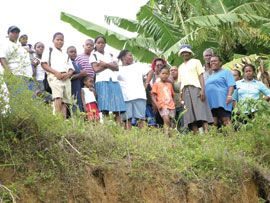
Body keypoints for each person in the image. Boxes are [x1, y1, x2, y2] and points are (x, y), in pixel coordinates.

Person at [89, 36, 125, 123]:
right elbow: (96, 69)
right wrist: (109, 65)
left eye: (102, 43)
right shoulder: (93, 55)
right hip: (101, 82)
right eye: (98, 43)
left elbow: (116, 68)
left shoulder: (110, 55)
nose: (101, 44)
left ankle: (119, 129)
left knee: (118, 107)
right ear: (95, 44)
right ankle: (107, 128)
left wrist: (104, 64)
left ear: (105, 44)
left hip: (114, 81)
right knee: (105, 108)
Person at [178, 45, 213, 133]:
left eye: (186, 52)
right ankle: (196, 135)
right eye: (183, 52)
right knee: (190, 115)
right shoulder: (180, 67)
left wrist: (202, 90)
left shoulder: (196, 62)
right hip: (185, 91)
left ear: (190, 53)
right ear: (181, 54)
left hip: (196, 88)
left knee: (201, 111)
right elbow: (181, 82)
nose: (185, 54)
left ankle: (207, 133)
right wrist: (180, 95)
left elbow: (201, 76)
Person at [41, 32, 74, 118]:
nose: (60, 41)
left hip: (66, 78)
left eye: (61, 40)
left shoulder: (65, 54)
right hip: (55, 76)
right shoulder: (49, 50)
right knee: (58, 97)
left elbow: (71, 68)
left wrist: (68, 74)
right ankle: (57, 119)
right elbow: (44, 64)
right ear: (53, 40)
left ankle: (63, 121)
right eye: (58, 39)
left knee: (65, 101)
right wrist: (56, 73)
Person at [117, 50, 151, 129]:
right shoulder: (118, 69)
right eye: (130, 55)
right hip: (125, 98)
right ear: (123, 57)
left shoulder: (137, 65)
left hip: (139, 95)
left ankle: (142, 138)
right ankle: (128, 138)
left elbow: (150, 70)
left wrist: (146, 83)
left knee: (141, 118)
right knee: (126, 119)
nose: (131, 57)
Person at [0, 26, 33, 91]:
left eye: (17, 32)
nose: (15, 34)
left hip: (27, 76)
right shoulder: (5, 44)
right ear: (8, 33)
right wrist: (10, 75)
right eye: (13, 32)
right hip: (16, 75)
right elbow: (2, 58)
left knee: (28, 100)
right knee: (18, 99)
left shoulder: (19, 46)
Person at [205, 56, 235, 126]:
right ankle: (216, 137)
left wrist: (229, 96)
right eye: (211, 61)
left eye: (215, 61)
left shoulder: (226, 72)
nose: (213, 62)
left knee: (226, 120)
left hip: (222, 100)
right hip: (211, 103)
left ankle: (232, 136)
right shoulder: (210, 76)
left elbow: (231, 85)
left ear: (220, 62)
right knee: (213, 123)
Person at [151, 67, 175, 135]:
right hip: (162, 105)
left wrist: (173, 103)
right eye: (163, 73)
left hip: (171, 106)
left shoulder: (170, 85)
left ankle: (170, 136)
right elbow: (153, 95)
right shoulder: (156, 84)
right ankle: (167, 137)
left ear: (168, 75)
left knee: (171, 122)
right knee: (166, 119)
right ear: (159, 74)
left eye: (166, 73)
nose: (165, 75)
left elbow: (172, 95)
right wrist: (157, 104)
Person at [145, 58, 167, 127]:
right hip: (152, 102)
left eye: (161, 65)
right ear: (154, 66)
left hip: (164, 103)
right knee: (153, 121)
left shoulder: (166, 76)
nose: (159, 66)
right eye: (157, 65)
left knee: (163, 122)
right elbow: (147, 88)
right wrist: (154, 103)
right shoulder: (151, 75)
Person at [67, 46, 84, 112]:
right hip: (71, 86)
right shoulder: (67, 63)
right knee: (73, 103)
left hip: (78, 86)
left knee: (78, 102)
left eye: (75, 52)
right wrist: (80, 75)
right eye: (71, 52)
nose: (74, 53)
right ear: (67, 53)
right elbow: (68, 77)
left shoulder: (77, 64)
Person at [169, 66, 184, 130]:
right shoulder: (168, 81)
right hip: (172, 105)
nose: (173, 71)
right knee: (173, 122)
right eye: (171, 70)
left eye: (175, 70)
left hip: (181, 103)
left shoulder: (182, 79)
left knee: (182, 121)